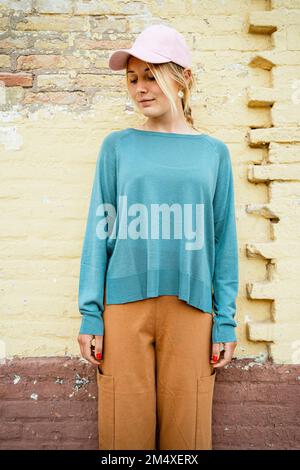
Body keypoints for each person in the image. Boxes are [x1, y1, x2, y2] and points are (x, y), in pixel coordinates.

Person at [77, 24, 239, 451]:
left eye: (151, 76)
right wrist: (91, 313)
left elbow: (223, 241)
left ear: (181, 78)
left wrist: (225, 320)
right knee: (123, 436)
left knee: (188, 438)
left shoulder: (214, 153)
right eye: (132, 79)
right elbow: (100, 232)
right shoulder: (117, 147)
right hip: (124, 310)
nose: (140, 89)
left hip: (192, 309)